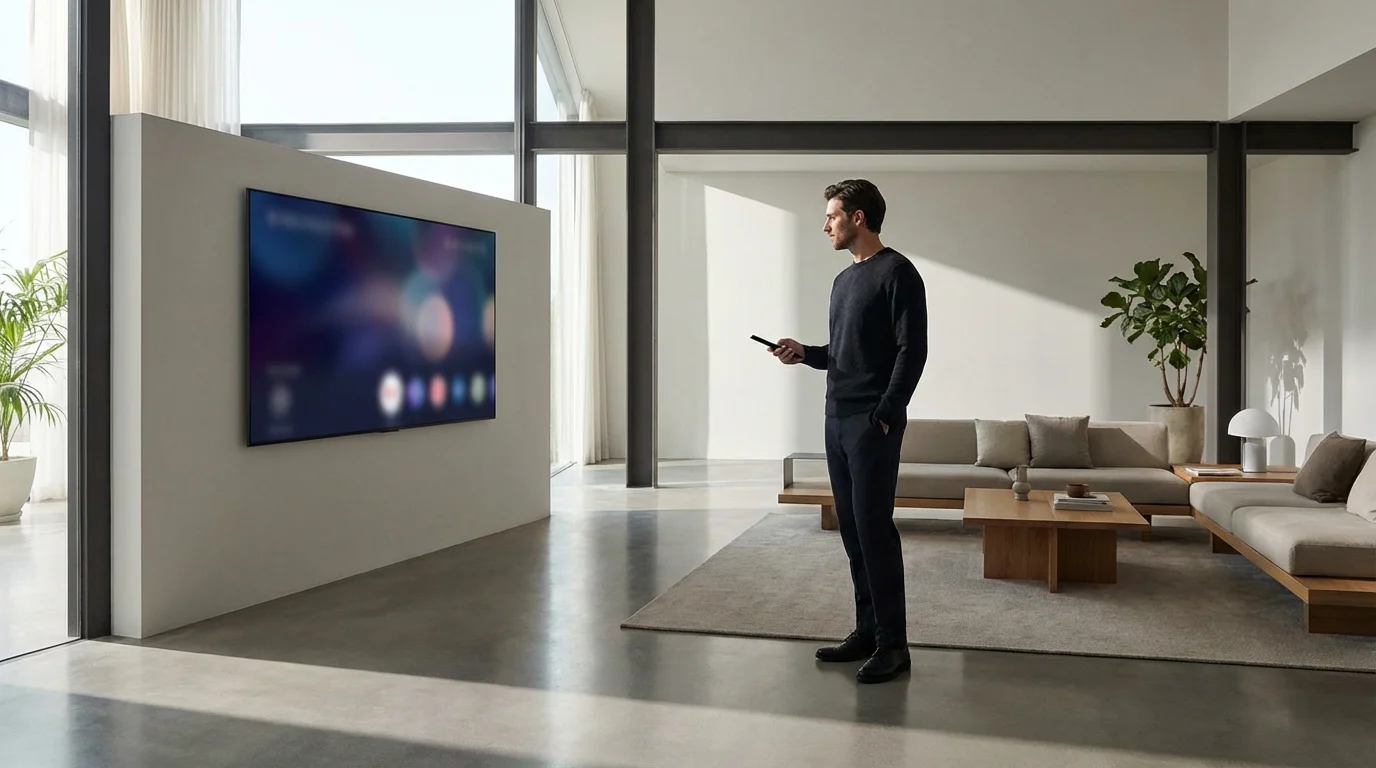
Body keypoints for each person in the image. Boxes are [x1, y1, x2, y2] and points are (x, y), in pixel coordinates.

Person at [771, 179, 928, 684]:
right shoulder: (843, 282)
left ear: (858, 218)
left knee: (876, 531)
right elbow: (842, 354)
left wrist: (886, 410)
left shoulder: (899, 273)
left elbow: (912, 350)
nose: (825, 226)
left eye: (832, 216)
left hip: (870, 423)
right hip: (835, 418)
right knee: (854, 533)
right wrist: (805, 353)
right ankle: (866, 630)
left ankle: (894, 644)